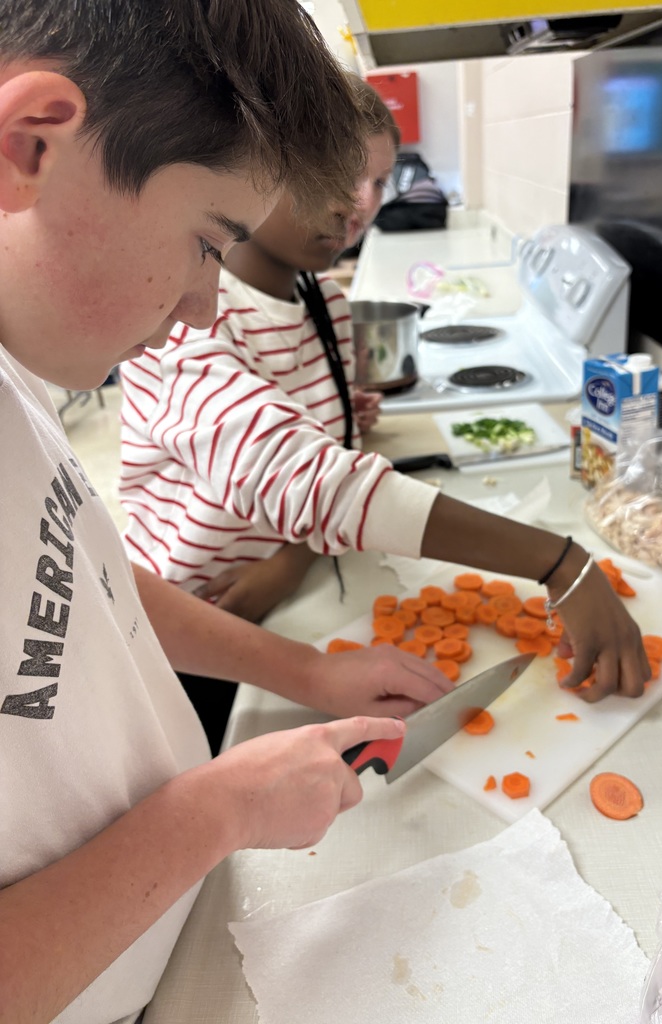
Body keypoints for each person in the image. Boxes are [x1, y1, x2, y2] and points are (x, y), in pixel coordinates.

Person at [0, 5, 455, 1023]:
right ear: (29, 145)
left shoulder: (16, 371)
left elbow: (87, 582)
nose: (209, 304)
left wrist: (307, 670)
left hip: (177, 932)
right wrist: (218, 808)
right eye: (208, 242)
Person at [119, 97, 652, 716]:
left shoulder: (322, 297)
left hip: (290, 581)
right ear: (261, 167)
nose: (363, 203)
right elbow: (306, 478)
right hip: (196, 618)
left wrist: (296, 552)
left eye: (378, 180)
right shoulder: (184, 325)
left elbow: (317, 446)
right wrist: (561, 561)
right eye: (340, 172)